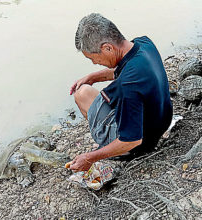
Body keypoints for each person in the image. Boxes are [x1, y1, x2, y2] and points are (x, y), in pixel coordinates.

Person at [69, 13, 173, 172]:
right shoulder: (144, 43)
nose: (95, 63)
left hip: (140, 143)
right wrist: (92, 78)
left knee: (81, 95)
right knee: (87, 89)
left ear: (107, 48)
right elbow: (121, 69)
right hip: (160, 121)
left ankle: (108, 145)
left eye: (93, 58)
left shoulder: (128, 84)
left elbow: (131, 141)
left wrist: (90, 157)